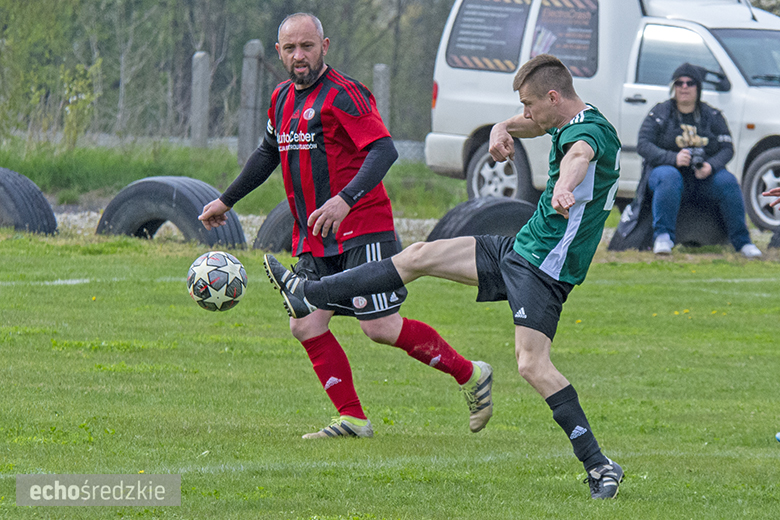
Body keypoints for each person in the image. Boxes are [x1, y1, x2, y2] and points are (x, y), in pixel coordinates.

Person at [264, 54, 624, 499]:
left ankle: (599, 464)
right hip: (519, 250)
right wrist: (501, 128)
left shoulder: (588, 135)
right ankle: (308, 293)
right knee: (418, 256)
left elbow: (578, 156)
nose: (526, 113)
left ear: (554, 97)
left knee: (532, 365)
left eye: (529, 104)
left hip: (545, 269)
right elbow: (531, 126)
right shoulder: (567, 117)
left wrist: (565, 187)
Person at [198, 13, 493, 440]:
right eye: (290, 48)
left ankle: (472, 374)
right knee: (306, 323)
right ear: (279, 52)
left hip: (362, 227)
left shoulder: (344, 94)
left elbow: (384, 150)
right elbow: (267, 153)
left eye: (307, 46)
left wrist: (345, 199)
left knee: (380, 327)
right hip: (314, 235)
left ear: (325, 46)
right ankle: (353, 419)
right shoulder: (281, 98)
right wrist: (226, 200)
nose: (299, 56)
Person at [637, 62, 762, 257]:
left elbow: (727, 148)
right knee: (668, 176)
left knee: (728, 181)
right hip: (666, 173)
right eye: (679, 83)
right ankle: (663, 237)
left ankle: (743, 242)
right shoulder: (660, 113)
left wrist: (710, 166)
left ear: (698, 87)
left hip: (702, 176)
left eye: (690, 83)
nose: (684, 87)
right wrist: (673, 158)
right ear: (673, 87)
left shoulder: (712, 115)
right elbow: (643, 144)